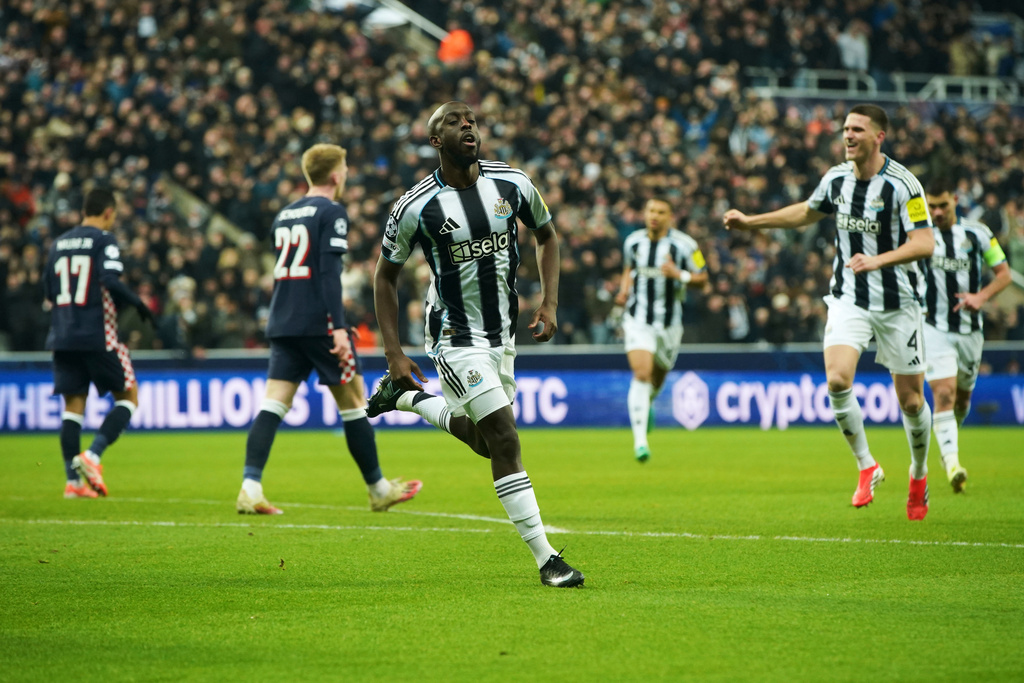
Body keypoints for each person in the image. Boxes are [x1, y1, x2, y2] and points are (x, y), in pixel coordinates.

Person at [369, 101, 584, 588]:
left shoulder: (512, 183)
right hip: (454, 338)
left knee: (490, 445)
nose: (467, 124)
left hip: (503, 334)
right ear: (435, 141)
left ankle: (409, 400)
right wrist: (394, 352)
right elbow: (385, 277)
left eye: (471, 119)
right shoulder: (415, 207)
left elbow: (547, 237)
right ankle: (548, 560)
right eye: (453, 120)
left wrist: (550, 303)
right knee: (507, 439)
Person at [724, 104, 937, 520]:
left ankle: (919, 472)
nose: (848, 135)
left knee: (911, 402)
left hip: (898, 305)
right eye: (845, 129)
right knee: (837, 379)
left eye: (858, 129)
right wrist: (753, 222)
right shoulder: (836, 177)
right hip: (848, 298)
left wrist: (877, 261)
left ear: (880, 136)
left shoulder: (904, 185)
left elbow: (925, 242)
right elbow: (805, 211)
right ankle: (866, 465)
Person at [237, 143, 421, 515]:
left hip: (283, 321)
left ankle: (249, 487)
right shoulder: (332, 211)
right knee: (353, 402)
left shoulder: (285, 214)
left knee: (273, 402)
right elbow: (327, 273)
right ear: (336, 175)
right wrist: (337, 327)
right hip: (318, 323)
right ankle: (378, 489)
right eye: (346, 168)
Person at [43, 187, 153, 498]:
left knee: (72, 409)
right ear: (108, 212)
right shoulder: (104, 240)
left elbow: (48, 292)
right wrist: (138, 303)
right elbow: (110, 280)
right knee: (129, 398)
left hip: (63, 336)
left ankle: (72, 483)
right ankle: (92, 456)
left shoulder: (58, 244)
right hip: (97, 335)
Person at [920, 178, 1011, 493]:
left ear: (955, 200)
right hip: (934, 328)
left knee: (962, 399)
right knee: (943, 394)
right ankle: (953, 463)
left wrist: (981, 297)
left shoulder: (979, 233)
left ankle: (948, 446)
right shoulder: (922, 236)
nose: (937, 212)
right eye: (931, 206)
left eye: (943, 204)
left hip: (971, 331)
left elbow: (1004, 274)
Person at [614, 197, 708, 462]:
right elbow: (628, 269)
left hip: (669, 325)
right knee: (641, 374)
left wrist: (679, 275)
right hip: (638, 319)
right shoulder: (632, 242)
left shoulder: (686, 245)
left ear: (670, 217)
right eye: (651, 210)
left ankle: (648, 403)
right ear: (644, 213)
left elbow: (704, 278)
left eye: (661, 212)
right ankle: (640, 443)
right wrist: (624, 291)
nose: (654, 216)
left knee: (656, 380)